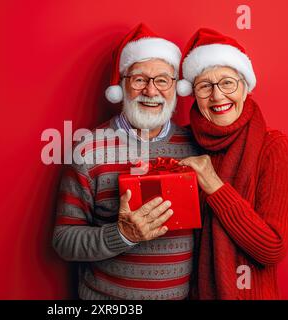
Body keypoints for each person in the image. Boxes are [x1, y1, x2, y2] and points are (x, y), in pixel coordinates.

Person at [52, 23, 200, 300]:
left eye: (163, 80)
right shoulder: (88, 149)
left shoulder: (195, 146)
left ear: (175, 87)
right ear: (122, 86)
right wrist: (122, 235)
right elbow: (63, 241)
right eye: (139, 79)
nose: (151, 91)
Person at [176, 28, 288, 299]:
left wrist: (214, 186)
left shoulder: (275, 147)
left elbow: (271, 249)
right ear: (193, 94)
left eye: (228, 83)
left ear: (245, 88)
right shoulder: (184, 143)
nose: (217, 96)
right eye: (205, 86)